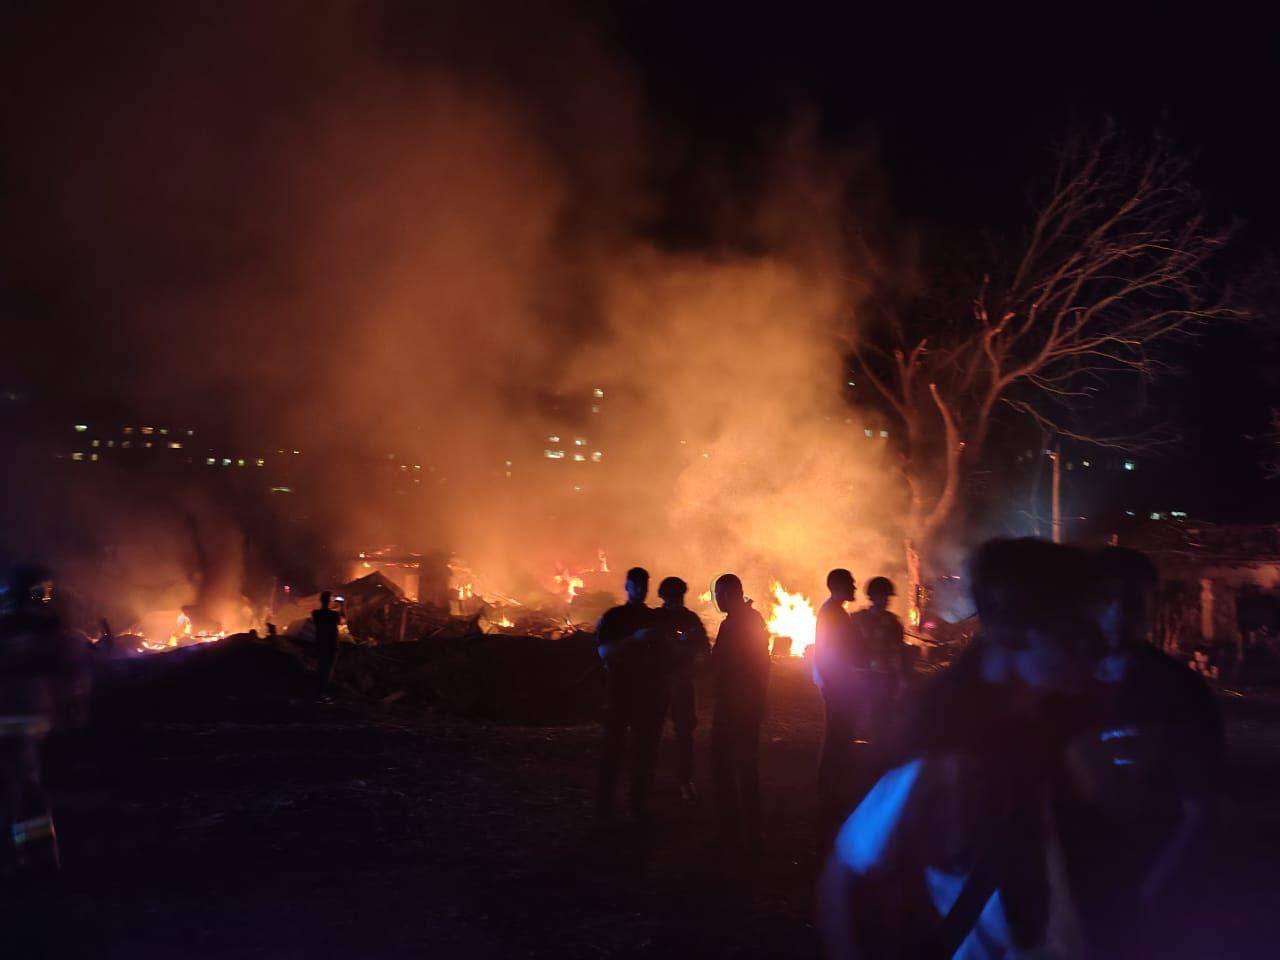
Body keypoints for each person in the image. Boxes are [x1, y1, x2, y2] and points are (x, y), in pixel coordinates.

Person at [819, 538, 1100, 959]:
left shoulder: (1058, 724)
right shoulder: (947, 749)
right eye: (1069, 630)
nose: (1090, 646)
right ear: (1015, 631)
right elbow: (844, 876)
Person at [1056, 546, 1224, 955]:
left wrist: (1149, 891)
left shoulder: (1179, 691)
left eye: (1131, 600)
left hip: (1156, 898)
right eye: (1104, 599)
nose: (1117, 613)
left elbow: (1199, 810)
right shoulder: (1057, 687)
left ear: (1149, 605)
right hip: (1068, 897)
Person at [0, 565, 87, 876]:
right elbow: (70, 669)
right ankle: (38, 856)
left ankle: (28, 857)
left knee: (20, 785)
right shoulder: (48, 626)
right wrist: (72, 705)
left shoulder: (15, 626)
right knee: (27, 785)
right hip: (34, 715)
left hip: (16, 715)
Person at [594, 567, 664, 821]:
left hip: (647, 695)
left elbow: (664, 656)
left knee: (643, 752)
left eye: (644, 585)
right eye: (636, 585)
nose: (640, 590)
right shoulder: (615, 617)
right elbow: (604, 652)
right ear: (627, 587)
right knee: (613, 750)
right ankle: (604, 807)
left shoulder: (654, 618)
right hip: (620, 693)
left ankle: (637, 805)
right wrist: (634, 639)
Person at [709, 573, 771, 845]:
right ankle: (750, 828)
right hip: (746, 704)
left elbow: (727, 663)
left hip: (735, 705)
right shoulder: (750, 620)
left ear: (733, 594)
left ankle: (733, 828)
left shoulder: (736, 624)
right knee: (745, 764)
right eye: (716, 594)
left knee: (727, 764)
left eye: (720, 594)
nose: (717, 600)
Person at [652, 576, 710, 801]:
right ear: (664, 597)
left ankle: (684, 780)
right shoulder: (655, 619)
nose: (675, 601)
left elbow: (704, 651)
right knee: (651, 732)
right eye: (672, 597)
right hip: (657, 683)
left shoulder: (690, 619)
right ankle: (648, 779)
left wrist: (689, 654)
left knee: (684, 734)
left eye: (678, 597)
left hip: (681, 683)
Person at [814, 568, 860, 834]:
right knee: (837, 741)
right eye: (850, 583)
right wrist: (832, 685)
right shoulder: (833, 613)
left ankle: (830, 796)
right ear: (839, 586)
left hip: (840, 686)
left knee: (838, 740)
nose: (855, 587)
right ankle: (829, 799)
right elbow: (827, 653)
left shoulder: (834, 612)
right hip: (839, 688)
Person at [848, 576, 912, 747]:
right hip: (864, 675)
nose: (886, 600)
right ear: (873, 596)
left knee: (882, 717)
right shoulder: (858, 619)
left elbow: (897, 651)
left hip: (885, 677)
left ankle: (878, 746)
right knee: (862, 715)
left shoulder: (892, 622)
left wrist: (901, 678)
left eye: (887, 597)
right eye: (883, 596)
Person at [311, 591, 344, 702]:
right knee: (328, 670)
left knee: (320, 668)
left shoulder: (315, 613)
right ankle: (321, 694)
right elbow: (343, 621)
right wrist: (342, 606)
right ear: (330, 601)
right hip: (331, 645)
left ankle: (317, 693)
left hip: (320, 644)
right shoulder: (333, 614)